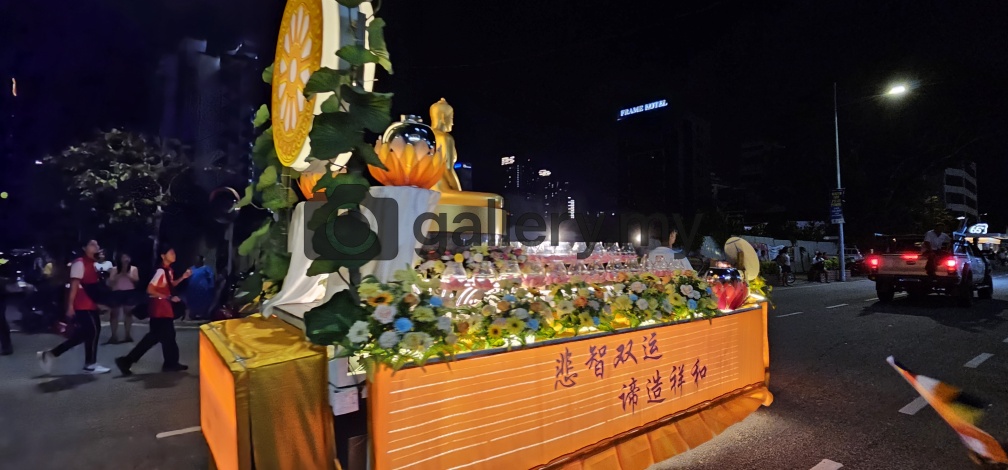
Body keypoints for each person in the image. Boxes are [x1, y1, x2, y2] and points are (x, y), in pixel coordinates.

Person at [37, 239, 111, 374]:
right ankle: (90, 364)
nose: (96, 247)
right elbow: (74, 285)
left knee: (85, 334)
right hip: (82, 303)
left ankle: (51, 354)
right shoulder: (79, 263)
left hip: (90, 303)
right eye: (92, 245)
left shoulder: (93, 263)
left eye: (97, 244)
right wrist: (70, 306)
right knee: (93, 331)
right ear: (84, 248)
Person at [115, 245, 191, 375]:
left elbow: (169, 285)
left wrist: (183, 277)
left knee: (160, 337)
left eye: (174, 252)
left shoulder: (168, 270)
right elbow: (150, 290)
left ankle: (169, 363)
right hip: (160, 309)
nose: (174, 254)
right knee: (161, 337)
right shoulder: (161, 271)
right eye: (171, 252)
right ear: (163, 256)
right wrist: (168, 297)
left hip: (163, 309)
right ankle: (129, 361)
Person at [105, 252, 140, 344]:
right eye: (123, 257)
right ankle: (114, 335)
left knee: (128, 313)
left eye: (127, 257)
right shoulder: (114, 269)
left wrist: (127, 274)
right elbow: (111, 281)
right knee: (114, 314)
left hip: (129, 292)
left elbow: (136, 280)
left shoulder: (133, 268)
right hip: (117, 292)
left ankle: (127, 334)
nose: (125, 259)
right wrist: (121, 273)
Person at [184, 255, 214, 321]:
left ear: (202, 260)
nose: (197, 261)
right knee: (193, 303)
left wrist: (211, 287)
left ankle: (204, 315)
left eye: (198, 259)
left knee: (203, 302)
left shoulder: (206, 269)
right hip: (193, 290)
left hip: (204, 290)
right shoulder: (191, 269)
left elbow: (211, 278)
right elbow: (186, 278)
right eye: (196, 259)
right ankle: (193, 314)